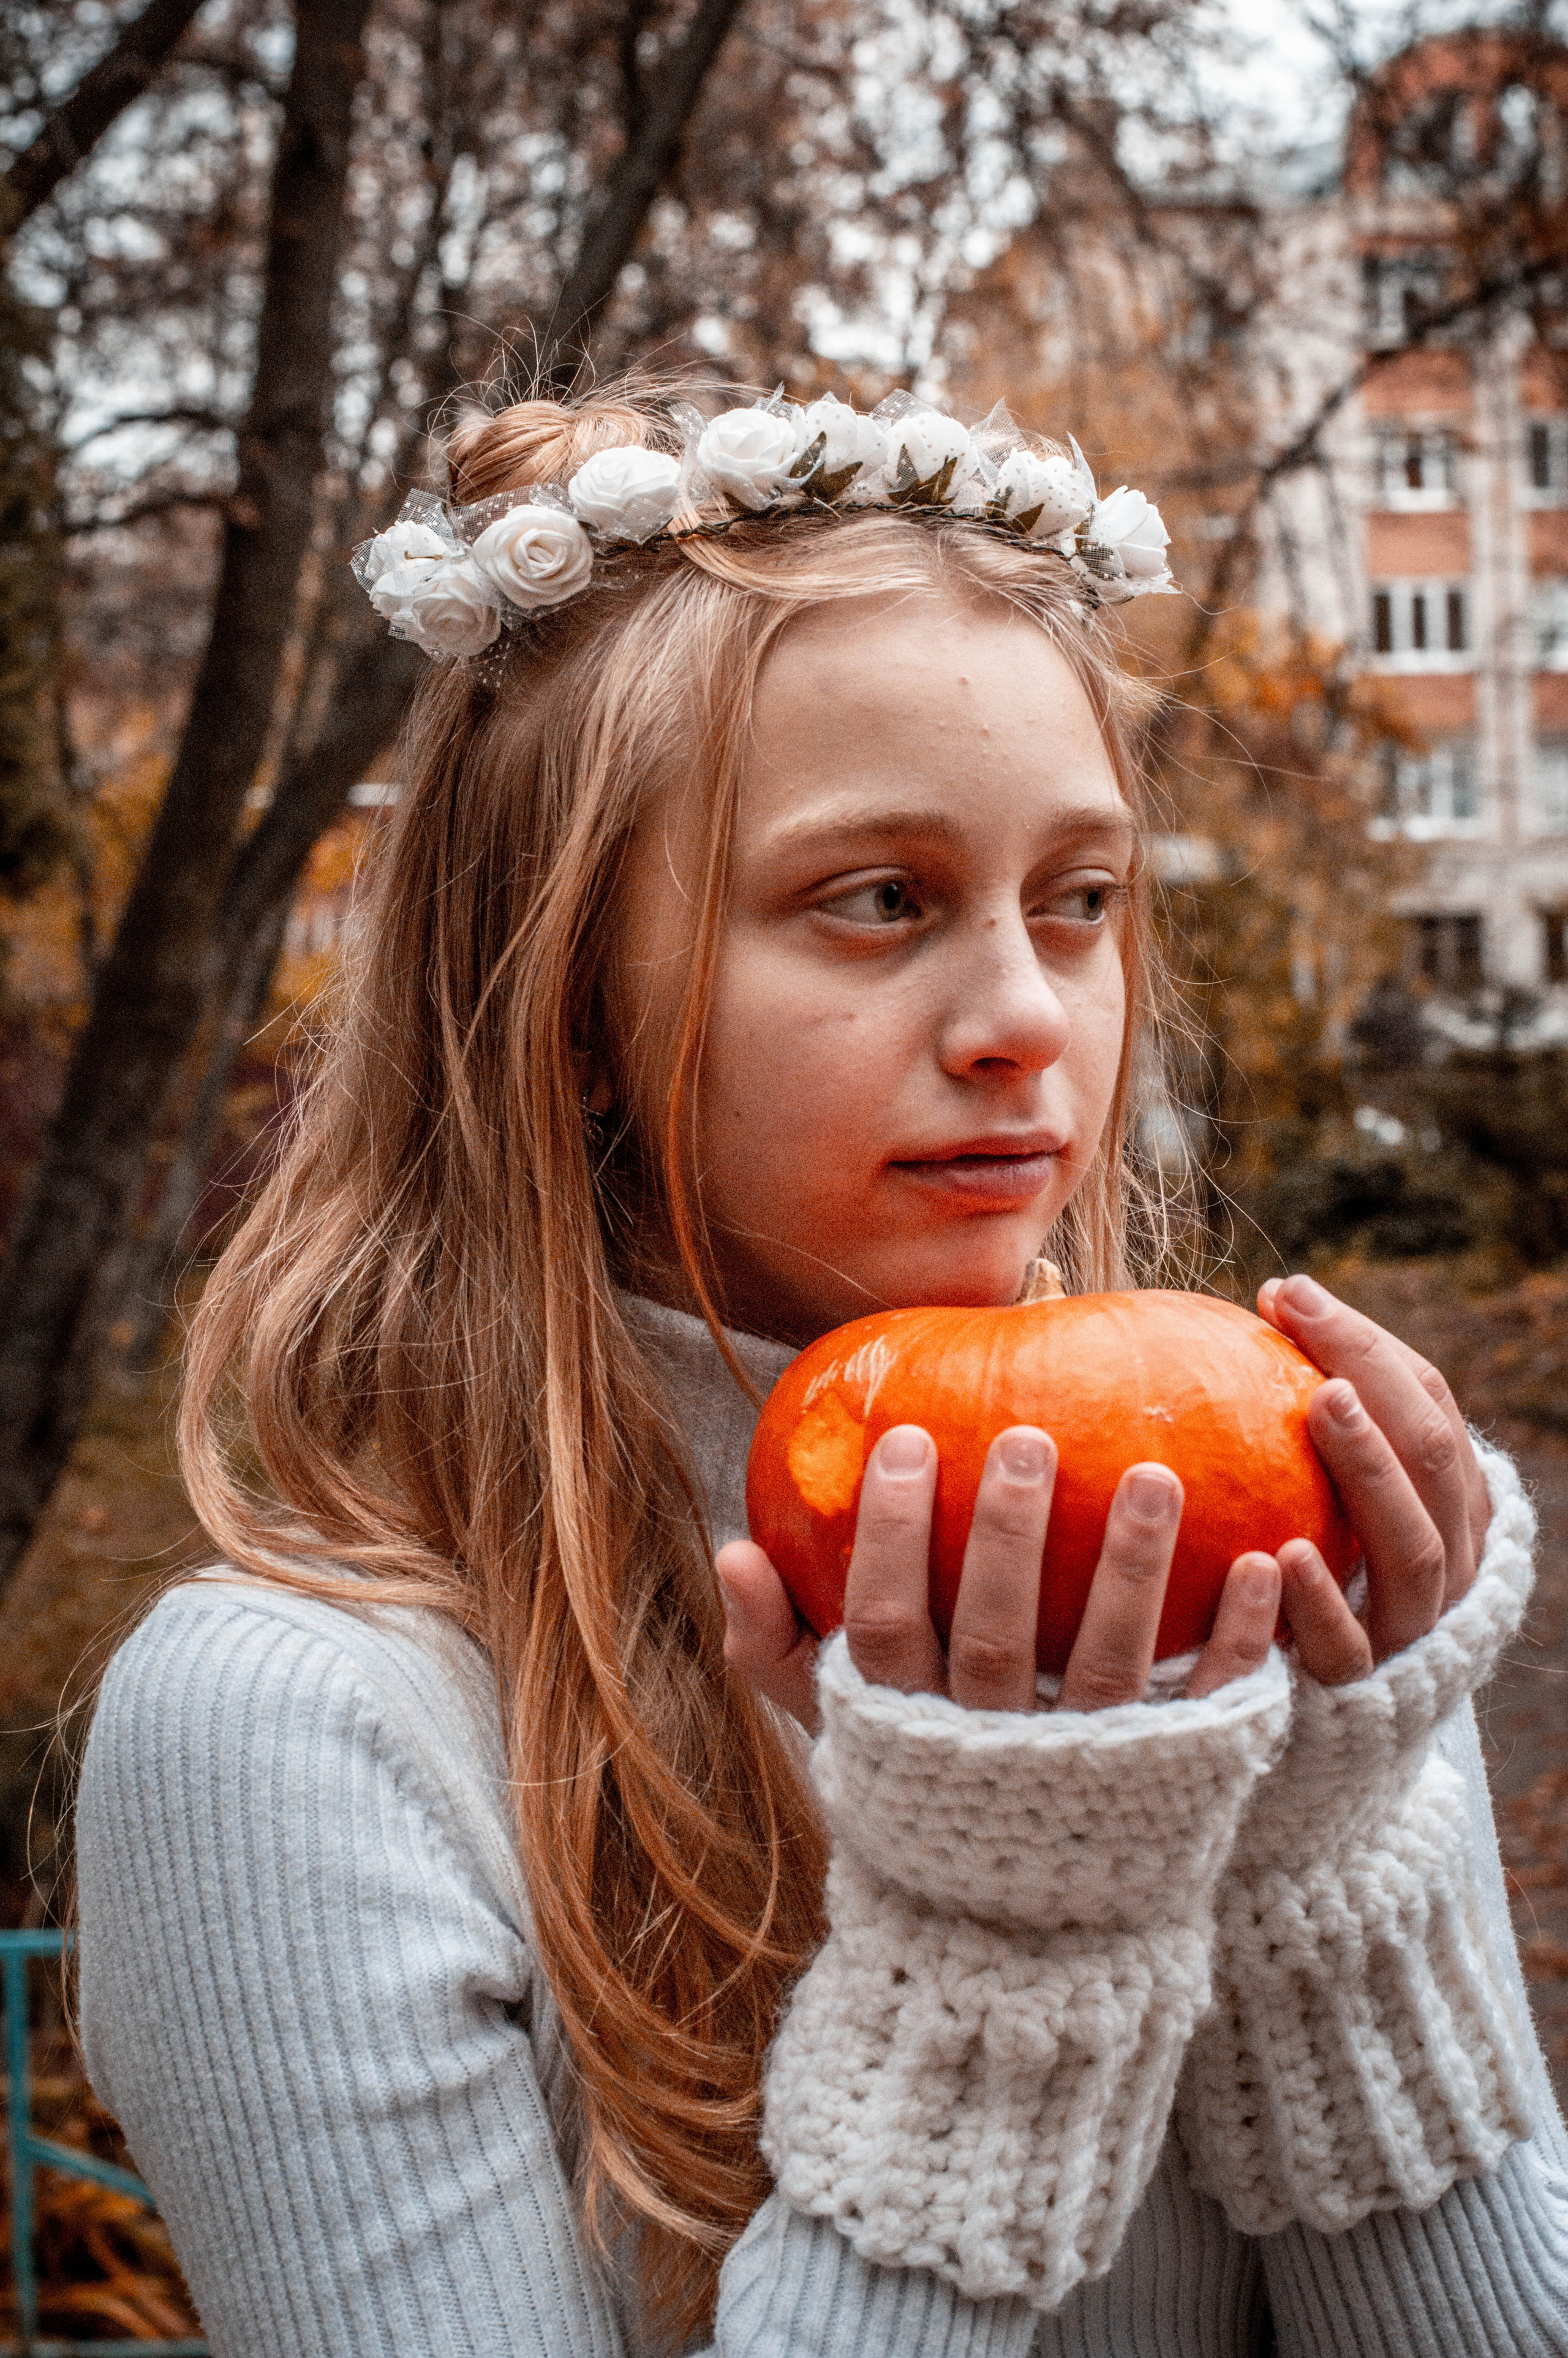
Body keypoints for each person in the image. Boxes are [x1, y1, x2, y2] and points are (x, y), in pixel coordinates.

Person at [76, 383, 1568, 2358]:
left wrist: (1332, 1864)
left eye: (1085, 897)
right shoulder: (301, 1729)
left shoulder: (1248, 1539)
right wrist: (994, 1957)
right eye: (878, 899)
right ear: (563, 1000)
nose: (1030, 1018)